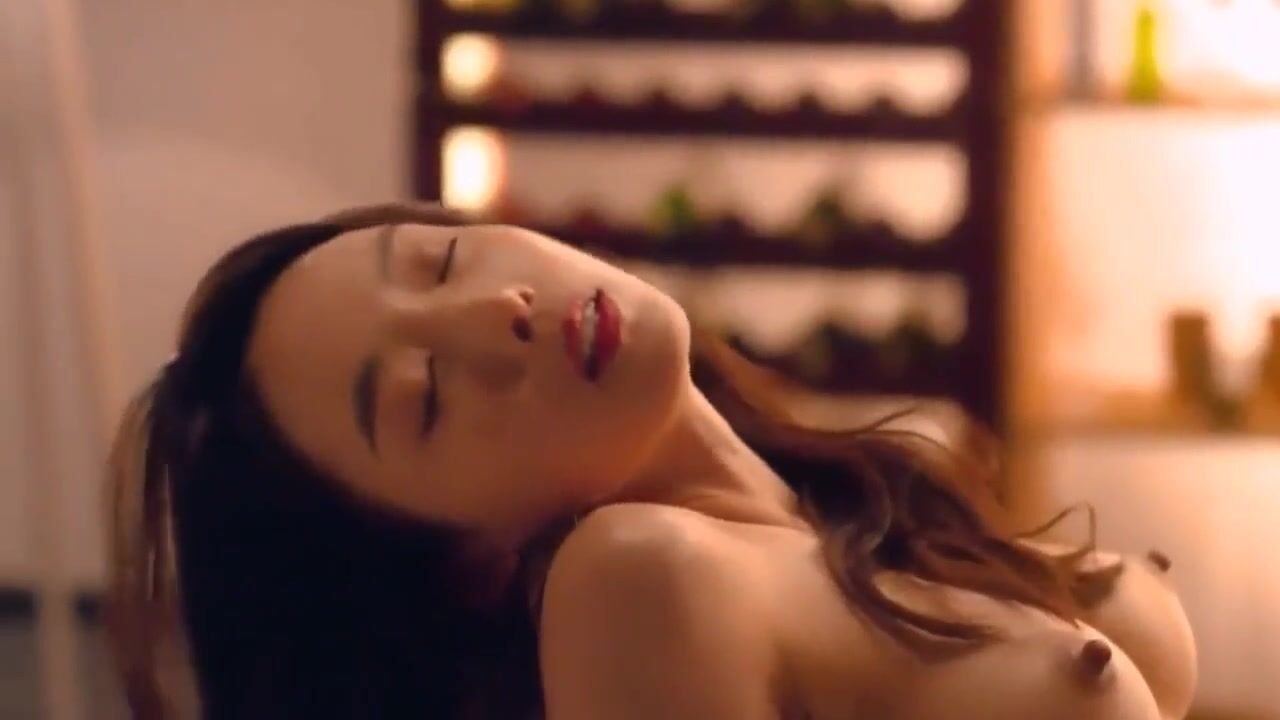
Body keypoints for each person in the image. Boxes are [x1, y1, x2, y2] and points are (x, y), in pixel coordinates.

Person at [105, 202, 1196, 720]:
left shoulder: (860, 504)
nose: (499, 311)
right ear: (466, 564)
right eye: (423, 398)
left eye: (439, 261)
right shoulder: (637, 581)